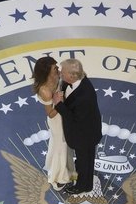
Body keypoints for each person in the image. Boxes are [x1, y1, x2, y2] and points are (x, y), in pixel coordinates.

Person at [53, 58, 102, 195]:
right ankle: (86, 184)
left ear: (72, 76)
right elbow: (64, 87)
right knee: (85, 159)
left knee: (84, 161)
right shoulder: (77, 81)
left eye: (63, 73)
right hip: (86, 130)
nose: (60, 74)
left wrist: (58, 104)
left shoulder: (84, 96)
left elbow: (72, 117)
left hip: (85, 133)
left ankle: (82, 186)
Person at [31, 56, 75, 189]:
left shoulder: (56, 78)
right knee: (60, 147)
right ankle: (58, 177)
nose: (57, 68)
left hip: (64, 114)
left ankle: (68, 171)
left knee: (65, 146)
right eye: (54, 68)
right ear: (47, 71)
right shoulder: (44, 90)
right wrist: (59, 102)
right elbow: (50, 113)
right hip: (57, 120)